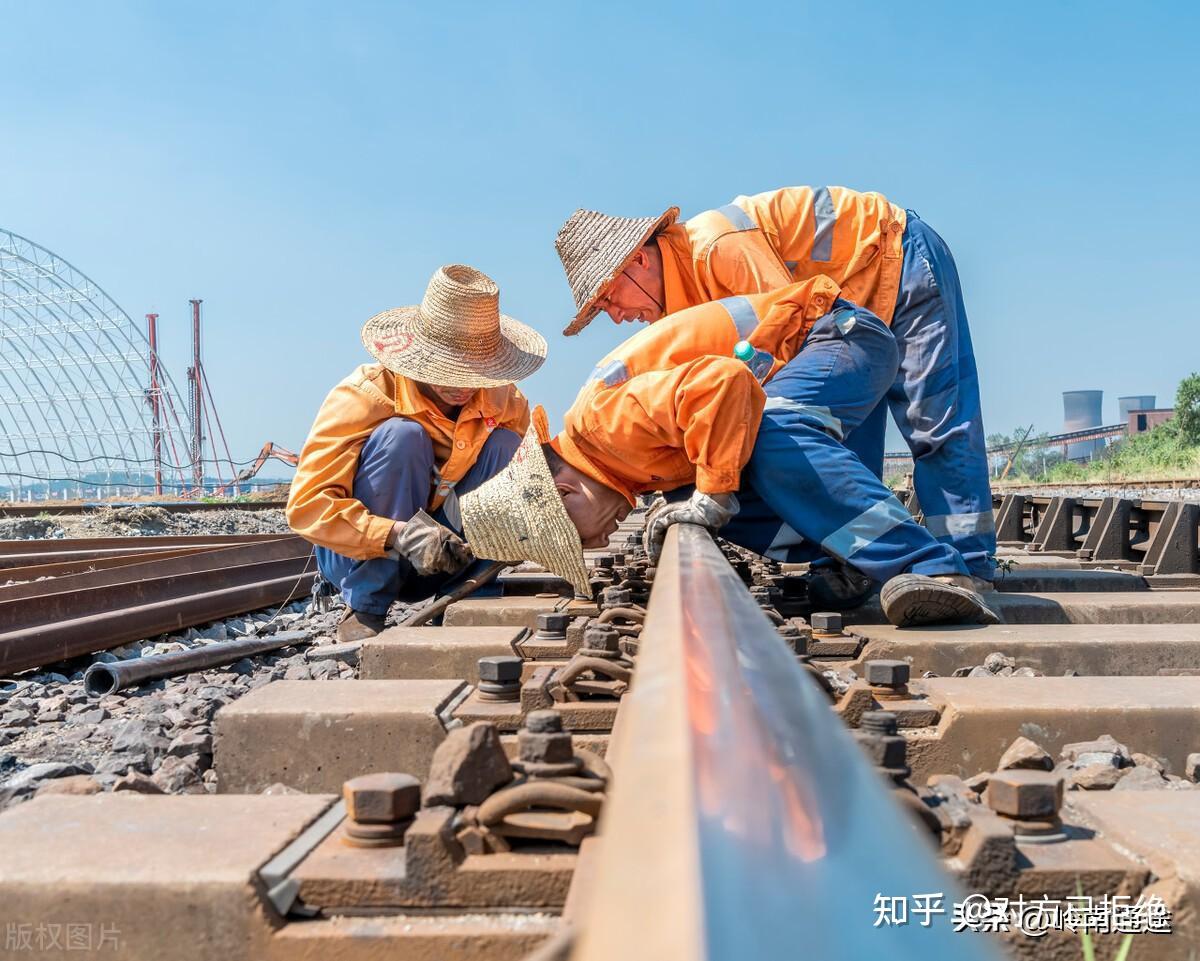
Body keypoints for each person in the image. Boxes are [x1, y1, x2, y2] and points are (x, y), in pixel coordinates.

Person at [461, 276, 996, 628]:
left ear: (565, 488)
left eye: (579, 534)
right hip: (817, 356)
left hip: (836, 337)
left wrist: (713, 497)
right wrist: (709, 498)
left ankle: (935, 568)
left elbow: (726, 384)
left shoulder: (606, 424)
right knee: (701, 491)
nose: (600, 541)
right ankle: (849, 562)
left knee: (759, 443)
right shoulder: (618, 458)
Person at [553, 187, 995, 606]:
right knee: (804, 441)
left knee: (935, 423)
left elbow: (787, 330)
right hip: (845, 326)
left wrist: (717, 485)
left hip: (896, 263)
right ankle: (855, 559)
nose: (615, 317)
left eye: (608, 299)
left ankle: (965, 568)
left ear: (638, 261)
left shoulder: (717, 246)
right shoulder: (683, 298)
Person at [286, 264, 548, 642]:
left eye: (473, 374)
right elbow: (307, 508)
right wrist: (399, 534)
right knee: (402, 437)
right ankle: (367, 605)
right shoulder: (365, 394)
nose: (462, 386)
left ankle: (471, 594)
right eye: (451, 371)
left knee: (510, 449)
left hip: (450, 559)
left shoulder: (505, 402)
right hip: (364, 553)